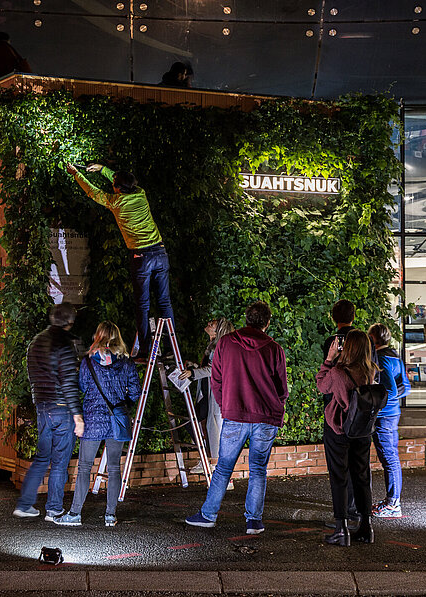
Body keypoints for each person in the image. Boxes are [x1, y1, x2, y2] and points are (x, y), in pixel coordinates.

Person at [185, 301, 289, 535]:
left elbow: (216, 379)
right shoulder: (274, 349)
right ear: (267, 322)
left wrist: (225, 405)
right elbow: (281, 387)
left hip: (235, 415)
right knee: (258, 469)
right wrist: (277, 405)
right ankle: (254, 521)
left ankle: (208, 515)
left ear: (246, 318)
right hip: (265, 416)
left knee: (223, 467)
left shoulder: (225, 343)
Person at [67, 163, 174, 357]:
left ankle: (146, 349)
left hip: (141, 256)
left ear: (118, 188)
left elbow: (92, 192)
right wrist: (102, 169)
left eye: (114, 183)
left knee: (143, 305)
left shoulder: (116, 202)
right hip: (160, 252)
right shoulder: (140, 194)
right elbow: (121, 182)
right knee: (164, 302)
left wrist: (76, 174)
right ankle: (170, 348)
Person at [54, 321, 140, 528]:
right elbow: (136, 392)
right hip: (117, 421)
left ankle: (75, 513)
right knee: (114, 468)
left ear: (98, 336)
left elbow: (82, 386)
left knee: (84, 467)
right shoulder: (127, 363)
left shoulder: (88, 362)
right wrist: (122, 403)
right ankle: (110, 515)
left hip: (93, 419)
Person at [13, 303, 85, 521]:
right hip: (62, 408)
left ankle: (25, 504)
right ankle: (53, 509)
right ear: (70, 322)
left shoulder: (35, 342)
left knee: (42, 458)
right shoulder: (64, 345)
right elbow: (69, 383)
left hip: (42, 406)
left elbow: (32, 375)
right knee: (60, 461)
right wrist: (77, 415)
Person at [316, 329, 378, 546]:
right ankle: (365, 526)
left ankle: (341, 528)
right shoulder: (370, 370)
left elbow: (321, 385)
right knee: (361, 476)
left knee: (339, 477)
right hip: (362, 431)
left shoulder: (338, 372)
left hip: (339, 429)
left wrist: (329, 359)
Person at [321, 299, 362, 527]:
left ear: (333, 317)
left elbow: (324, 383)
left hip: (337, 411)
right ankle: (358, 513)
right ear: (354, 316)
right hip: (361, 414)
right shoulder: (364, 342)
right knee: (359, 466)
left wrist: (329, 361)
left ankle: (343, 518)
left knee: (338, 468)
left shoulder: (333, 342)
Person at [179, 318, 235, 470]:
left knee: (209, 427)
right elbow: (207, 367)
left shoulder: (220, 348)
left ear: (218, 331)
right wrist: (195, 367)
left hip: (214, 395)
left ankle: (212, 463)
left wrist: (192, 373)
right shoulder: (212, 346)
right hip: (206, 393)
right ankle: (205, 458)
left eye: (212, 324)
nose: (209, 323)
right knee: (194, 423)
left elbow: (213, 370)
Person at [368, 323, 410, 518]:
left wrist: (378, 404)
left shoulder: (382, 359)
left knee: (389, 459)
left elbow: (390, 391)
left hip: (384, 417)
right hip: (393, 414)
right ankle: (392, 501)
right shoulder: (395, 357)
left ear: (373, 339)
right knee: (391, 457)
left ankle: (393, 503)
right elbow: (405, 387)